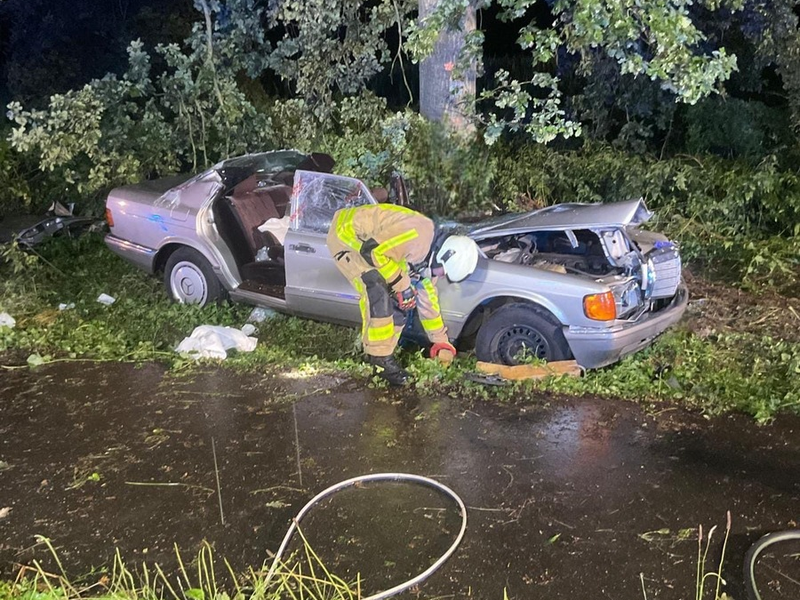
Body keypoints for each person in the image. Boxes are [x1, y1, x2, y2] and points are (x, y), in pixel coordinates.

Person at [327, 204, 479, 385]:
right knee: (377, 287)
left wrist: (441, 342)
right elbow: (372, 251)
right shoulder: (417, 235)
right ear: (443, 255)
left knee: (402, 299)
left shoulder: (428, 256)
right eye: (443, 272)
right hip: (348, 234)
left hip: (374, 246)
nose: (440, 276)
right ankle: (380, 360)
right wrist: (402, 285)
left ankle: (383, 355)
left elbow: (428, 301)